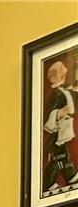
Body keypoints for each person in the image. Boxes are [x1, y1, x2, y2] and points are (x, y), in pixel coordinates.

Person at [43, 56, 77, 196]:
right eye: (63, 70)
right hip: (56, 133)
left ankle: (49, 183)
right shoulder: (56, 94)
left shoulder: (64, 91)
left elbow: (71, 96)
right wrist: (59, 113)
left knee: (58, 159)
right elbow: (48, 114)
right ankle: (71, 177)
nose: (67, 70)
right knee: (61, 157)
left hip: (62, 131)